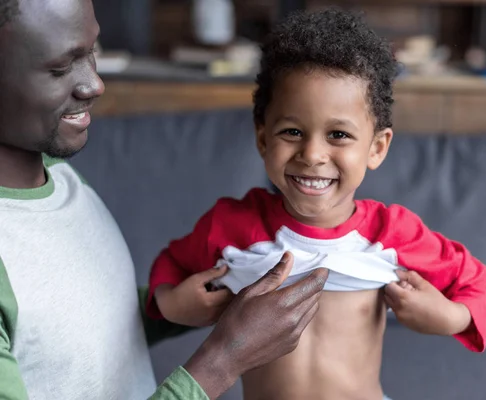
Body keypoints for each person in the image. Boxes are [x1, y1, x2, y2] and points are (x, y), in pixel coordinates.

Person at [148, 8, 486, 400]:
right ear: (264, 139)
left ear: (377, 147)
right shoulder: (230, 226)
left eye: (338, 134)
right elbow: (171, 268)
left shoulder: (393, 234)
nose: (313, 153)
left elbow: (480, 284)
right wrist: (174, 304)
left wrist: (449, 317)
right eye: (293, 132)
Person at [0, 0, 329, 399]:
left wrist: (177, 307)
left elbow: (72, 332)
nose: (94, 84)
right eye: (59, 68)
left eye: (91, 52)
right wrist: (225, 357)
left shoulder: (61, 178)